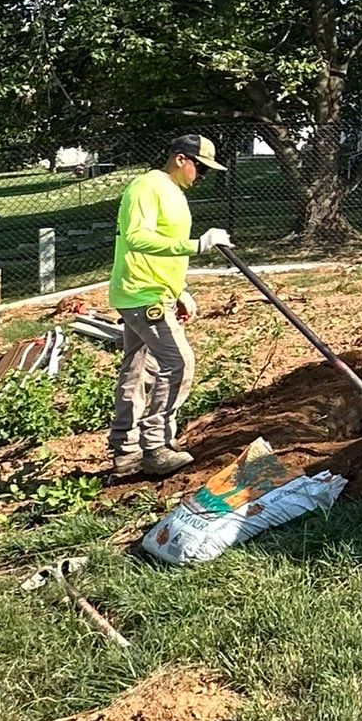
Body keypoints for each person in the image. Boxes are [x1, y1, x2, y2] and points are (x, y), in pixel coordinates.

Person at [106, 132, 232, 481]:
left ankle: (125, 449)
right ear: (180, 159)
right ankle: (157, 447)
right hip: (142, 295)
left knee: (138, 369)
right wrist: (198, 245)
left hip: (149, 291)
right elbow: (137, 238)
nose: (201, 176)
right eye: (200, 168)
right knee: (179, 363)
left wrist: (179, 290)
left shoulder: (172, 192)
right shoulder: (147, 187)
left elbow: (160, 245)